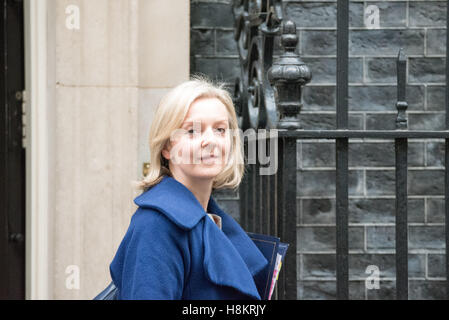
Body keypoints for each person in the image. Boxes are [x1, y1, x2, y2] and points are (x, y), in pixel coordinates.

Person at [109, 76, 268, 299]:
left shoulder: (211, 219)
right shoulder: (156, 226)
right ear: (166, 147)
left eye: (220, 130)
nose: (210, 141)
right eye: (192, 131)